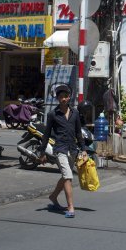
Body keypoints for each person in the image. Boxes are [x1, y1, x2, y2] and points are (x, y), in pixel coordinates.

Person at [40, 84, 87, 218]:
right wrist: (42, 152)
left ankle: (53, 196)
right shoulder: (52, 114)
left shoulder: (75, 113)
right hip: (60, 148)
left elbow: (78, 132)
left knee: (66, 176)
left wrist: (83, 149)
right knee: (68, 176)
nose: (63, 99)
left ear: (69, 97)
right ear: (57, 99)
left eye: (65, 96)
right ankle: (71, 207)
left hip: (72, 149)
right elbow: (47, 134)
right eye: (60, 97)